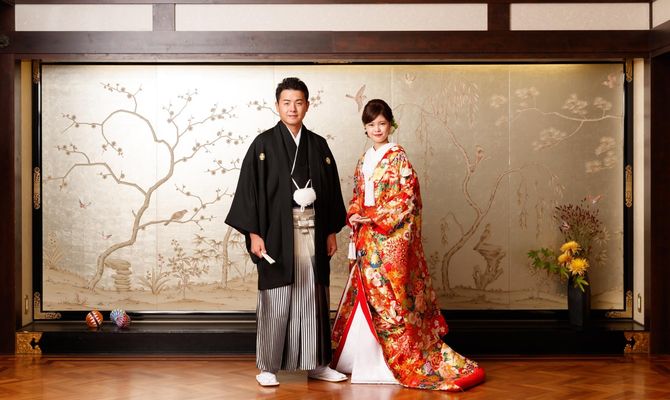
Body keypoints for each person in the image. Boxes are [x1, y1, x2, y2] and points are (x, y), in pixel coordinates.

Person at [331, 99, 485, 391]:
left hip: (388, 239)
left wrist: (374, 217)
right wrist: (355, 213)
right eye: (371, 124)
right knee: (368, 296)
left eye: (382, 123)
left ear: (391, 125)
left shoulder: (398, 157)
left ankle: (395, 359)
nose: (377, 129)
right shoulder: (364, 160)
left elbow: (408, 199)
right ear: (365, 128)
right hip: (366, 236)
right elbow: (357, 194)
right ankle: (363, 358)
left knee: (392, 299)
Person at [225, 77, 348, 387]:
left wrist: (331, 231)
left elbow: (330, 191)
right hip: (277, 232)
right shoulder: (263, 145)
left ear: (307, 105)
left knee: (312, 296)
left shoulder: (318, 145)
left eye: (298, 102)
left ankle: (317, 363)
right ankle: (268, 366)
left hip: (314, 229)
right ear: (277, 105)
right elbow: (249, 191)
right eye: (287, 102)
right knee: (277, 298)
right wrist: (254, 233)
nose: (293, 108)